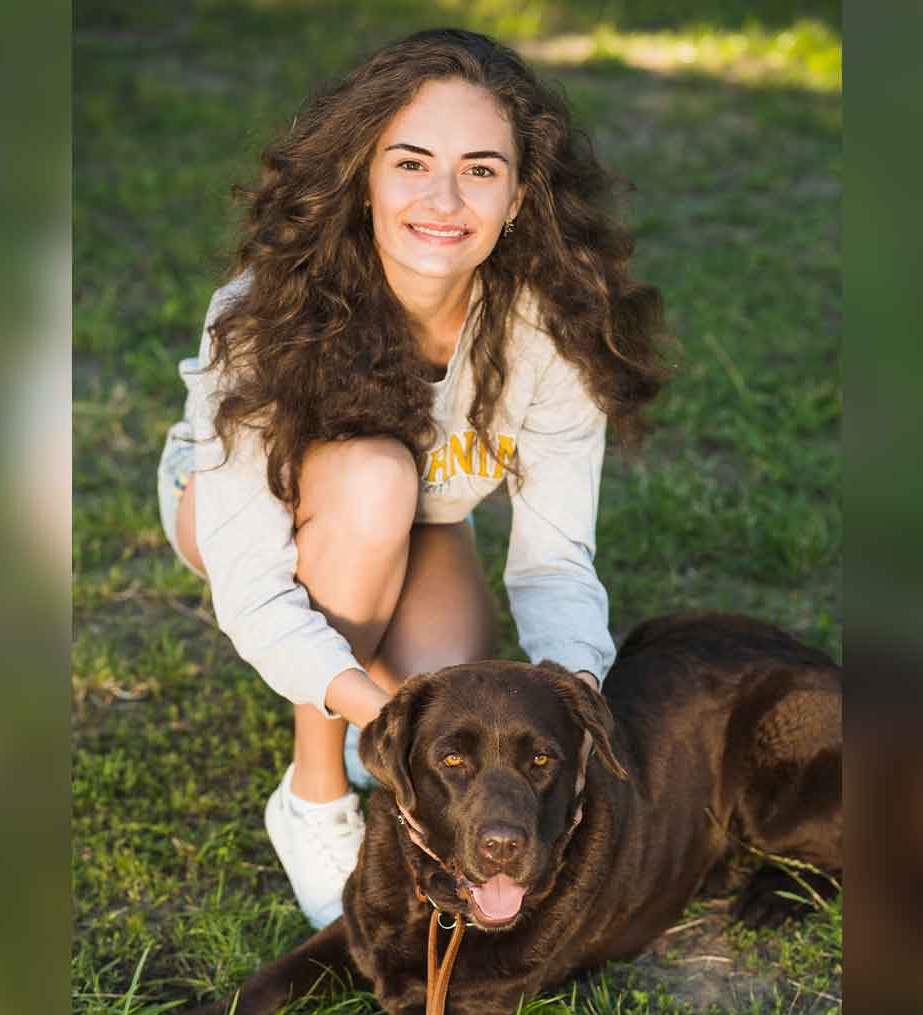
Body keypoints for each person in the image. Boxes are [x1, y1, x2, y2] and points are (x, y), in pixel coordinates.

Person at [157, 27, 671, 929]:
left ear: (518, 196)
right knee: (375, 484)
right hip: (249, 515)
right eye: (410, 164)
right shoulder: (266, 311)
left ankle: (364, 694)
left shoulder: (552, 329)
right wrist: (382, 720)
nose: (444, 199)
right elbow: (256, 590)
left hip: (427, 514)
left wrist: (575, 692)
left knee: (450, 697)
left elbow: (554, 563)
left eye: (480, 169)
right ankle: (313, 794)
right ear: (363, 176)